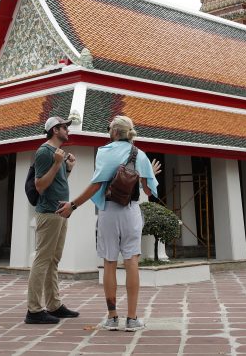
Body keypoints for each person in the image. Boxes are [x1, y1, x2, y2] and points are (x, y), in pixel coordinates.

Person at [58, 116, 160, 332]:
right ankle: (132, 319)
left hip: (109, 211)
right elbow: (149, 191)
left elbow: (96, 185)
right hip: (131, 212)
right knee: (132, 261)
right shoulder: (140, 155)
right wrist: (147, 174)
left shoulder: (105, 152)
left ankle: (112, 317)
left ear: (114, 132)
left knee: (110, 262)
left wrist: (73, 205)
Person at [25, 116, 81, 324]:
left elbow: (57, 183)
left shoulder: (57, 154)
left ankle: (54, 304)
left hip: (59, 212)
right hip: (48, 213)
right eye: (64, 127)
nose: (68, 130)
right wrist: (58, 164)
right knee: (42, 259)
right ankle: (34, 309)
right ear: (55, 130)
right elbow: (40, 185)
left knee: (53, 260)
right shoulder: (44, 152)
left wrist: (67, 168)